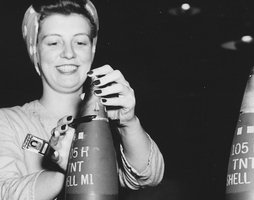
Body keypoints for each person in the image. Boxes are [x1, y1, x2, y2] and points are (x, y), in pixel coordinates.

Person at [0, 0, 165, 199]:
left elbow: (149, 176)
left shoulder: (107, 123)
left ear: (92, 49)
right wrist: (76, 166)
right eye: (53, 42)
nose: (69, 53)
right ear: (35, 51)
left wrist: (128, 122)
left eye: (80, 42)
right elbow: (5, 191)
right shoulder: (8, 121)